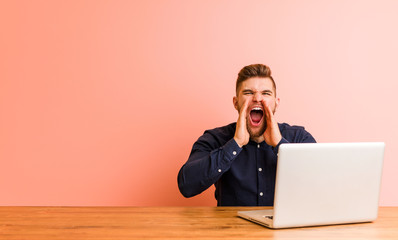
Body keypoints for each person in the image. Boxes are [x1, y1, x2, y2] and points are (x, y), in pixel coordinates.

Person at [177, 64, 316, 206]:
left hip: (285, 228)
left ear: (276, 102)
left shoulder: (299, 138)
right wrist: (235, 144)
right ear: (236, 103)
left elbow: (320, 182)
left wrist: (280, 145)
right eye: (248, 92)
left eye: (266, 93)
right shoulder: (215, 138)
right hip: (232, 227)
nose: (257, 98)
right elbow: (187, 186)